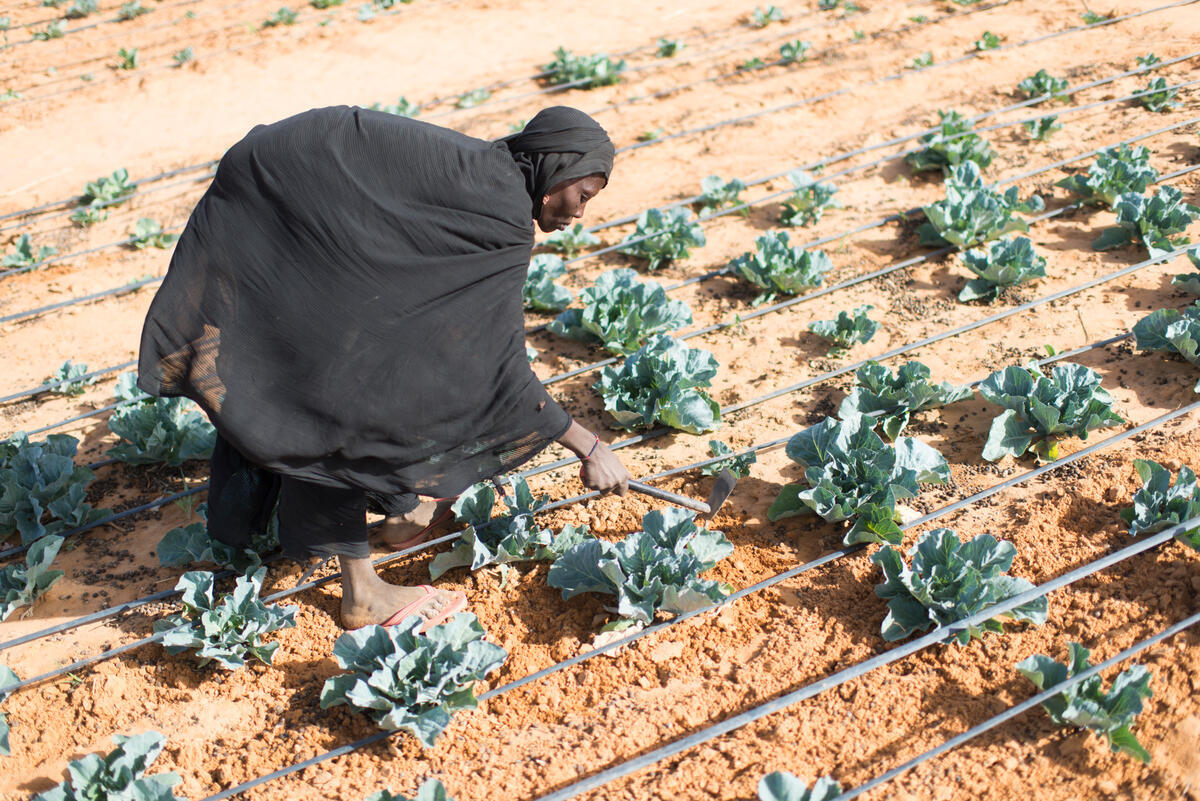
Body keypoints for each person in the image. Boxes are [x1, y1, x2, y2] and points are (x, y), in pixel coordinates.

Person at [136, 105, 630, 630]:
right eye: (583, 195)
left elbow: (441, 327)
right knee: (332, 395)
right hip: (282, 198)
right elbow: (500, 367)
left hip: (294, 185)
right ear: (555, 173)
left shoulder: (489, 177)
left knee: (387, 357)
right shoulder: (504, 213)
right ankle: (362, 593)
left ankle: (400, 509)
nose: (581, 213)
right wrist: (588, 445)